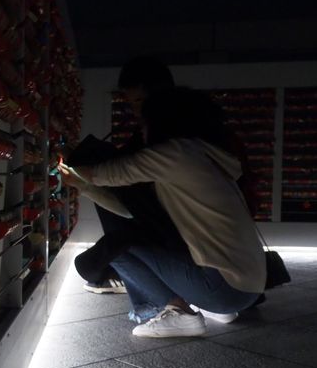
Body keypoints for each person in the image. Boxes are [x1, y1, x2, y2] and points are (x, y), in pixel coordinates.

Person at [59, 87, 266, 337]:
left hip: (224, 287)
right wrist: (83, 186)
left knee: (117, 249)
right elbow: (126, 210)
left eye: (144, 122)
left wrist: (67, 163)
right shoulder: (206, 156)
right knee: (133, 240)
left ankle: (180, 312)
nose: (141, 131)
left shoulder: (176, 154)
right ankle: (208, 305)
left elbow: (110, 173)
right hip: (248, 284)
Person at [76, 57, 176, 296]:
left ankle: (156, 300)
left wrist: (90, 176)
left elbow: (130, 170)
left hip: (165, 228)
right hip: (152, 222)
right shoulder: (159, 129)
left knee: (89, 265)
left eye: (140, 100)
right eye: (131, 103)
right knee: (90, 265)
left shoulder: (167, 136)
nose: (136, 110)